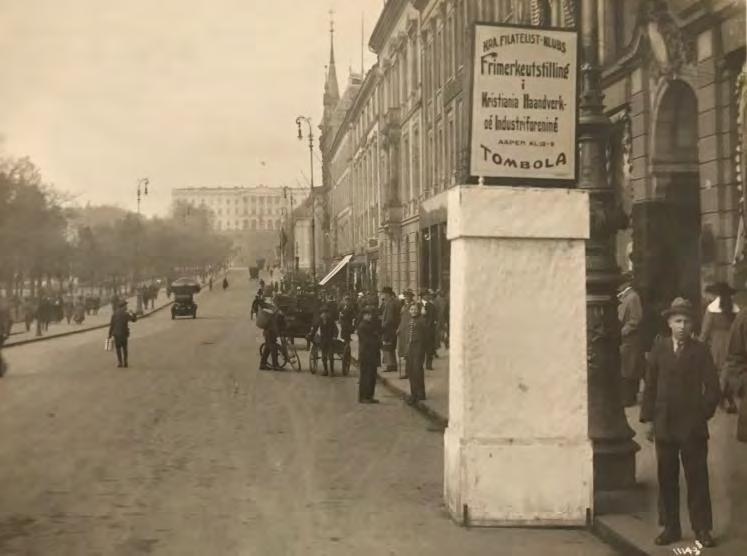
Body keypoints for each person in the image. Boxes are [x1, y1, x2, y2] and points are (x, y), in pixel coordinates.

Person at [640, 297, 720, 548]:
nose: (682, 326)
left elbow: (713, 389)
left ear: (692, 324)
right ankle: (671, 527)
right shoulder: (659, 350)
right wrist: (650, 420)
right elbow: (650, 386)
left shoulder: (700, 351)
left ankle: (702, 528)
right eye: (677, 321)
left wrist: (701, 413)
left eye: (686, 321)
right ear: (669, 323)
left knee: (697, 478)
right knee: (666, 478)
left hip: (692, 427)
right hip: (664, 424)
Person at [700, 282, 739, 413]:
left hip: (718, 343)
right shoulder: (735, 308)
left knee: (718, 371)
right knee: (727, 370)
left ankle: (719, 398)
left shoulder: (712, 309)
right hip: (733, 341)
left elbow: (705, 331)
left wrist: (700, 343)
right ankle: (728, 400)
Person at [617, 272, 645, 407]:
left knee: (630, 369)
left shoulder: (632, 297)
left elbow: (635, 319)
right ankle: (627, 398)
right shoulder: (623, 297)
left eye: (621, 283)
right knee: (625, 368)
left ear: (626, 284)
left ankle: (629, 398)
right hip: (625, 341)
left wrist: (622, 331)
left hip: (631, 340)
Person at [403, 302, 429, 403]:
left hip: (419, 347)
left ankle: (420, 393)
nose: (413, 311)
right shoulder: (409, 320)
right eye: (411, 309)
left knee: (417, 370)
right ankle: (413, 393)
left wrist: (424, 349)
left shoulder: (422, 320)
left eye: (415, 309)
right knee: (411, 370)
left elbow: (426, 336)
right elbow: (406, 336)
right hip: (410, 348)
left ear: (418, 310)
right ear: (409, 311)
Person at [356, 304, 381, 404]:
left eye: (370, 314)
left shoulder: (369, 325)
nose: (370, 316)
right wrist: (377, 341)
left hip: (371, 354)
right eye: (368, 315)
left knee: (371, 376)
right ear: (363, 315)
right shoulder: (362, 326)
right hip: (366, 355)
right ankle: (364, 397)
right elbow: (367, 341)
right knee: (366, 376)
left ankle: (369, 396)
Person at [108, 300, 137, 368]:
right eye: (125, 306)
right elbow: (134, 320)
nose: (126, 307)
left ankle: (120, 362)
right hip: (124, 334)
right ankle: (125, 362)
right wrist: (133, 313)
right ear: (123, 306)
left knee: (118, 348)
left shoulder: (114, 314)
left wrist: (109, 335)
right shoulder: (125, 314)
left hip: (116, 334)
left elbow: (112, 325)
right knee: (124, 348)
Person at [313, 306, 339, 376]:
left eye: (325, 313)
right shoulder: (319, 321)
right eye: (322, 313)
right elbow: (315, 328)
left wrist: (334, 336)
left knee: (330, 356)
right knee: (324, 357)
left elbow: (336, 330)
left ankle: (332, 371)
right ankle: (325, 370)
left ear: (327, 314)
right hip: (323, 341)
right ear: (321, 314)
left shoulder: (331, 321)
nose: (323, 315)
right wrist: (311, 334)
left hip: (330, 341)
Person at [259, 302, 284, 371]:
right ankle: (275, 365)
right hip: (270, 333)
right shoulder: (276, 314)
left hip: (267, 332)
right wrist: (278, 335)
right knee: (274, 348)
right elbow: (274, 326)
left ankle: (262, 364)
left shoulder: (275, 311)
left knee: (267, 348)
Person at [380, 287, 399, 373]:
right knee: (391, 347)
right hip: (392, 328)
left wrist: (383, 325)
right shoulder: (393, 302)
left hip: (388, 328)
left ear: (387, 294)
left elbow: (390, 318)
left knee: (387, 347)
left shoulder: (390, 303)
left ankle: (390, 365)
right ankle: (393, 365)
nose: (383, 295)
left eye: (384, 293)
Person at [419, 290, 437, 369]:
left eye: (428, 295)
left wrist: (431, 325)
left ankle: (429, 365)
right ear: (422, 296)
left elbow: (435, 317)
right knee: (420, 348)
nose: (428, 296)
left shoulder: (432, 306)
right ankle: (420, 364)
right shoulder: (417, 305)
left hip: (429, 330)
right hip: (420, 330)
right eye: (426, 295)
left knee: (429, 348)